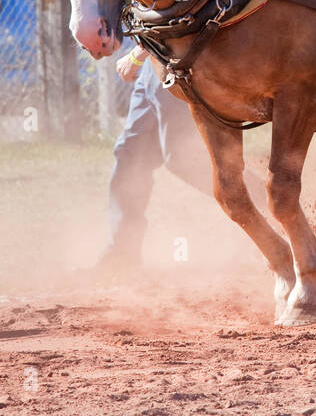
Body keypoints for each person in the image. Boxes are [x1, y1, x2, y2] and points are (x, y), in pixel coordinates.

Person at [98, 42, 270, 271]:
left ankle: (271, 204)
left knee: (182, 158)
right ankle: (122, 253)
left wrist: (137, 54)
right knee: (130, 155)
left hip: (174, 63)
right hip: (153, 66)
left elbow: (166, 11)